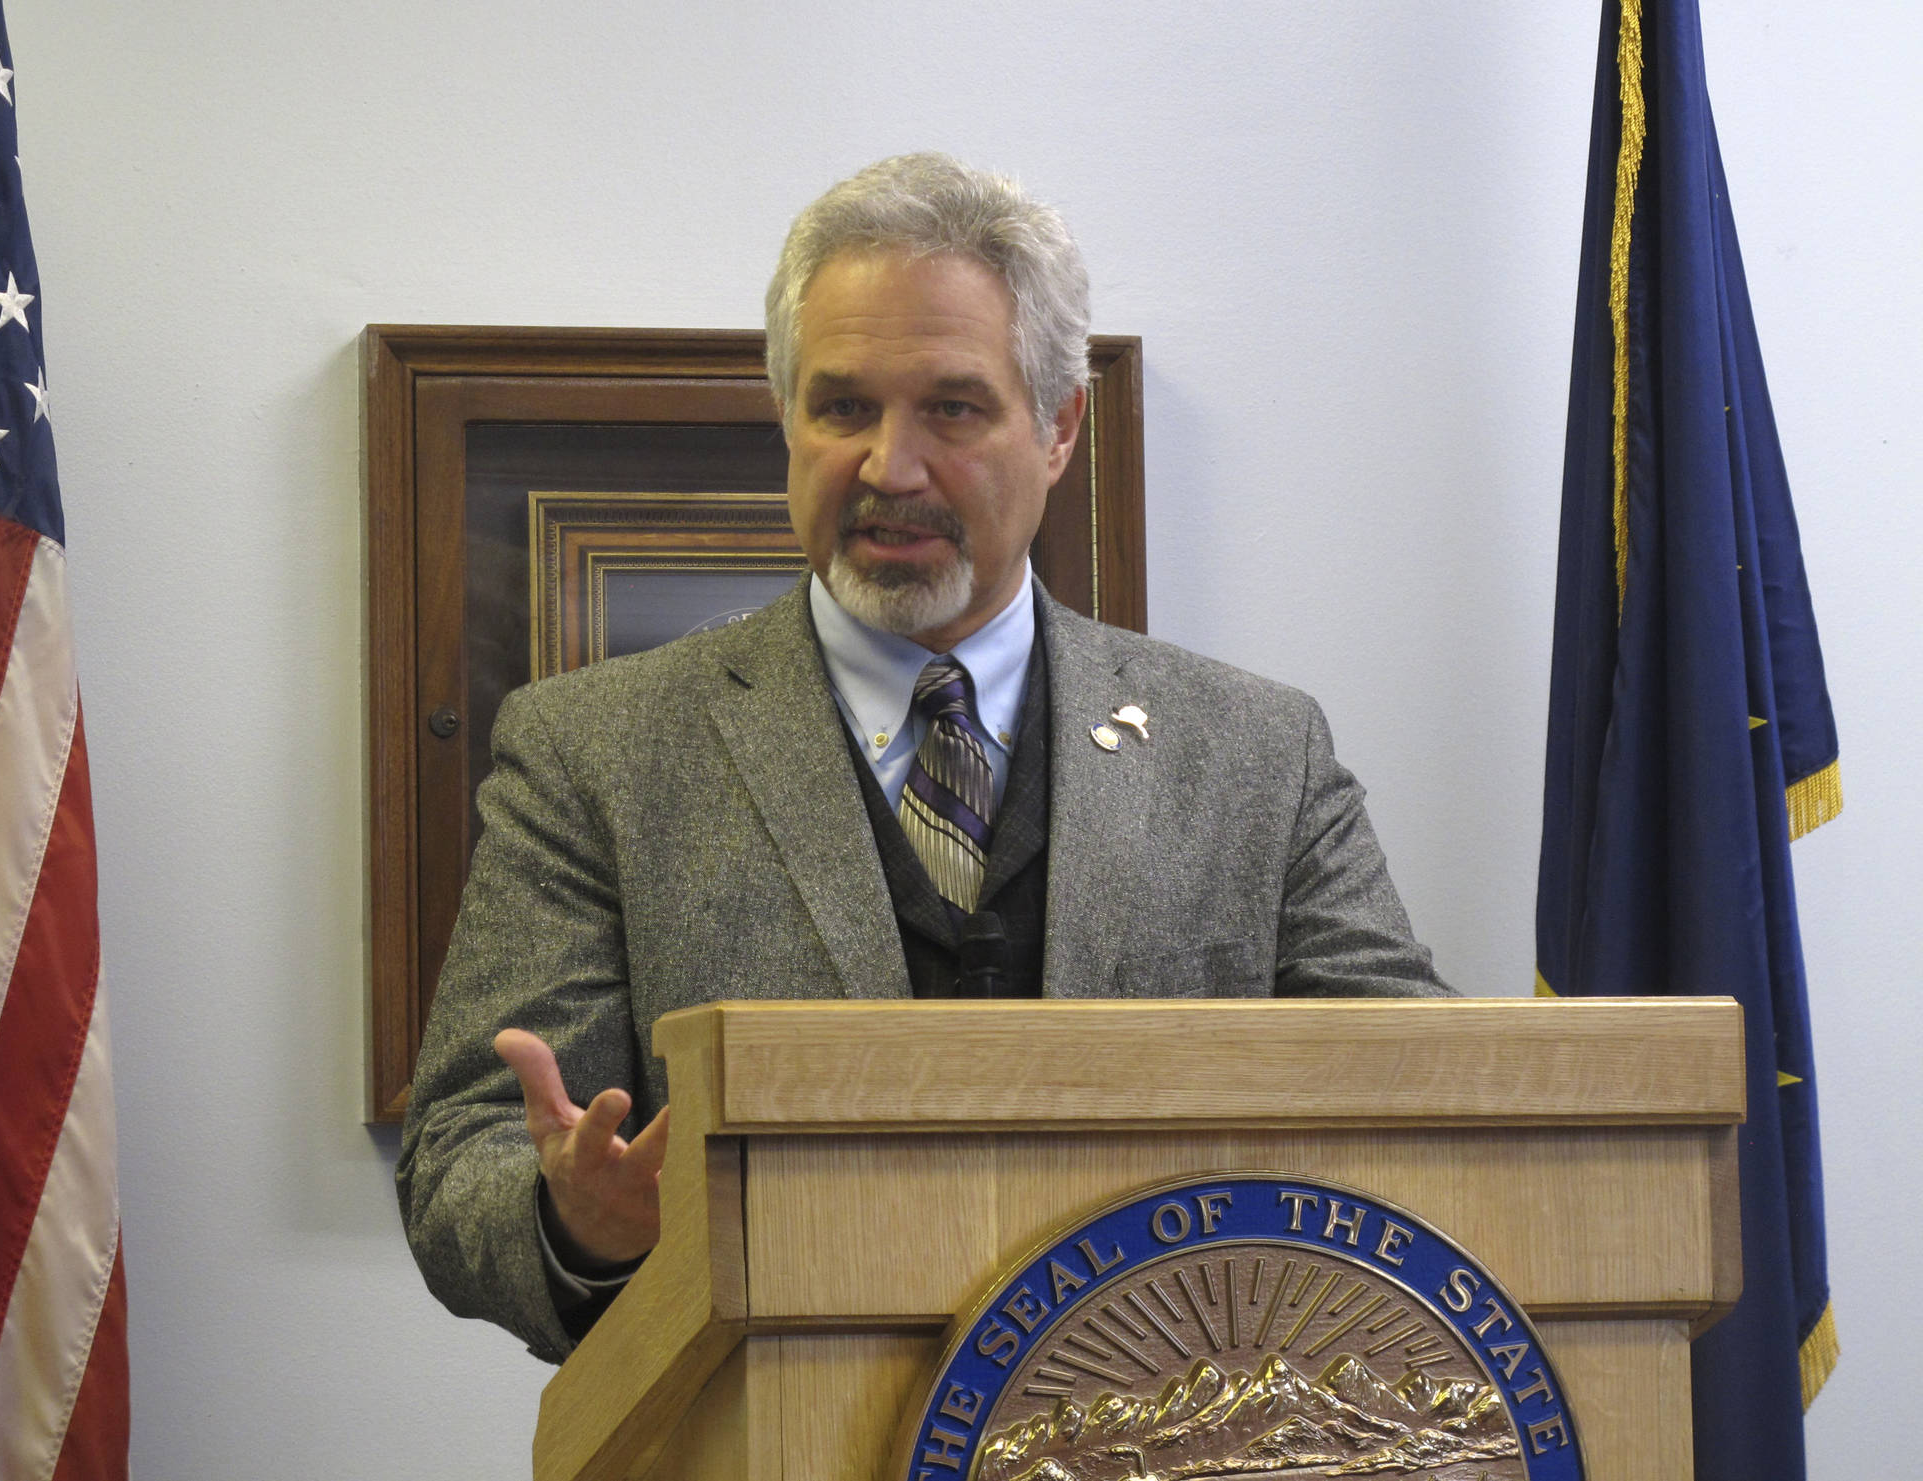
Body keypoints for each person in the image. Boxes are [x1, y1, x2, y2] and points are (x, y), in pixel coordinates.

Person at [396, 153, 1449, 1363]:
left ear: (1056, 429)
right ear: (786, 417)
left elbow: (1425, 1103)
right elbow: (458, 1165)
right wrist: (576, 1220)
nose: (889, 468)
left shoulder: (1257, 753)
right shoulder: (594, 751)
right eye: (841, 405)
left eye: (951, 407)